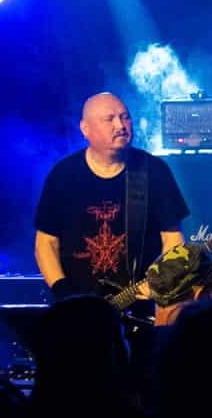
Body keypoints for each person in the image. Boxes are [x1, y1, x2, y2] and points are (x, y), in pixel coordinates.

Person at [33, 93, 189, 320]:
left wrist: (160, 282)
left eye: (125, 117)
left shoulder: (154, 170)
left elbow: (172, 238)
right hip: (77, 309)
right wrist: (65, 295)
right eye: (109, 119)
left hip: (140, 306)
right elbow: (46, 243)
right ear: (85, 129)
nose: (120, 125)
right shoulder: (63, 175)